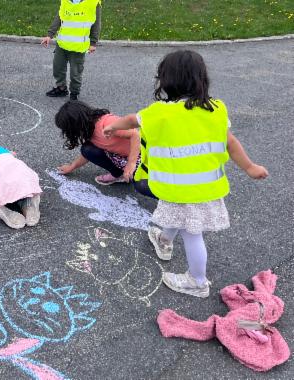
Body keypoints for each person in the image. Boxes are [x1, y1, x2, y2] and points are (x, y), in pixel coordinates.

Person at [103, 50, 269, 298]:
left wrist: (112, 126)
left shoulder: (160, 112)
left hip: (178, 188)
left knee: (193, 234)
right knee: (183, 221)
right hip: (206, 187)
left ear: (166, 80)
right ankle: (163, 239)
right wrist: (249, 167)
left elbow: (130, 120)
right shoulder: (215, 108)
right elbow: (229, 142)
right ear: (201, 78)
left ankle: (197, 281)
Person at [55, 100, 140, 184]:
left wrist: (131, 163)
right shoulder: (88, 129)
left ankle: (129, 171)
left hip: (139, 154)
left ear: (76, 124)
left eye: (67, 129)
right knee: (87, 149)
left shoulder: (107, 123)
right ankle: (118, 173)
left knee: (140, 185)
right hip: (122, 155)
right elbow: (87, 154)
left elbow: (135, 135)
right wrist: (71, 167)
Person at [41, 0, 101, 101]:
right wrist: (50, 35)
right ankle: (61, 88)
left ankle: (74, 93)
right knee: (58, 67)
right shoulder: (66, 1)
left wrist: (93, 42)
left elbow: (96, 23)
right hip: (62, 43)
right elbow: (59, 17)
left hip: (78, 45)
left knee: (75, 71)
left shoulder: (93, 2)